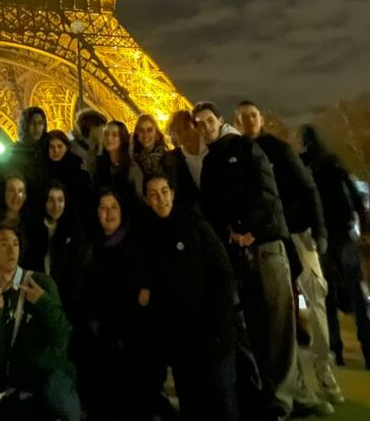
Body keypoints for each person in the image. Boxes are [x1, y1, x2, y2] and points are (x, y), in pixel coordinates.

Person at [195, 104, 296, 420]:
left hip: (264, 245)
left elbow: (266, 193)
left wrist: (247, 229)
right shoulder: (211, 161)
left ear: (220, 121)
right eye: (199, 124)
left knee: (277, 328)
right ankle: (265, 396)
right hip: (238, 250)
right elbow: (211, 209)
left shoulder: (246, 148)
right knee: (256, 328)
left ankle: (280, 401)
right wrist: (231, 234)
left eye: (209, 121)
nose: (205, 127)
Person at [236, 102, 341, 404]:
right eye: (244, 117)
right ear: (237, 122)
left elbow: (308, 189)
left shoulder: (280, 150)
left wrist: (319, 231)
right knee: (280, 315)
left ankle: (323, 367)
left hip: (296, 233)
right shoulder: (239, 154)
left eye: (253, 115)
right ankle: (295, 381)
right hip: (268, 239)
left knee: (315, 297)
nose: (249, 120)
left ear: (261, 118)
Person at [142, 175, 239, 419]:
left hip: (212, 336)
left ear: (173, 193)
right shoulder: (149, 236)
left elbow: (223, 274)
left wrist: (217, 324)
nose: (160, 199)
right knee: (192, 404)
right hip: (180, 342)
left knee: (222, 403)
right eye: (153, 194)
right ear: (146, 200)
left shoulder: (195, 225)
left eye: (164, 191)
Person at [299, 125, 370, 372]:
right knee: (356, 292)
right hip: (343, 231)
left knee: (326, 295)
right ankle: (369, 350)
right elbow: (353, 195)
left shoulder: (303, 166)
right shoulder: (333, 163)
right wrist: (363, 225)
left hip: (320, 236)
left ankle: (335, 348)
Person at [0, 226, 80, 421]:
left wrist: (43, 302)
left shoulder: (40, 282)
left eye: (15, 244)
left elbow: (62, 340)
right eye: (4, 244)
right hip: (18, 391)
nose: (12, 249)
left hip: (48, 383)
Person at [79, 189, 152, 421]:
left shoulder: (135, 247)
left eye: (114, 207)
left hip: (130, 341)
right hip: (99, 340)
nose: (108, 213)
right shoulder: (90, 246)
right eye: (103, 207)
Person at [34, 181, 88, 323]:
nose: (56, 206)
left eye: (60, 200)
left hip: (65, 299)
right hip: (38, 294)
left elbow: (77, 268)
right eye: (51, 200)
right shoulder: (34, 227)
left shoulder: (73, 230)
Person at [131, 113, 169, 183]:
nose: (145, 135)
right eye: (141, 130)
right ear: (137, 134)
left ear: (157, 134)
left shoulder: (169, 159)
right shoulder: (133, 160)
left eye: (149, 130)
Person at [70, 109, 107, 176]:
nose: (103, 130)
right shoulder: (75, 148)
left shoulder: (101, 145)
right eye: (102, 127)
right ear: (92, 127)